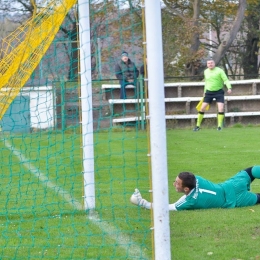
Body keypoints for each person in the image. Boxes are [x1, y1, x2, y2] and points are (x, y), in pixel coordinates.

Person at [130, 166, 260, 211]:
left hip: (235, 200)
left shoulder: (190, 201)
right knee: (252, 170)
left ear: (186, 189)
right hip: (231, 185)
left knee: (258, 198)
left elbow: (167, 208)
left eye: (176, 183)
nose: (174, 184)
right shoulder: (195, 178)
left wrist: (143, 203)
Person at [193, 58, 232, 131]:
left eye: (211, 63)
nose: (210, 64)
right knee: (202, 108)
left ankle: (219, 126)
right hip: (209, 92)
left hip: (219, 92)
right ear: (207, 65)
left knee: (221, 108)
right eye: (208, 63)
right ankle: (197, 126)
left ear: (214, 63)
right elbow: (206, 82)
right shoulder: (206, 72)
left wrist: (229, 88)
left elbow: (226, 79)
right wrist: (204, 91)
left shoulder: (219, 71)